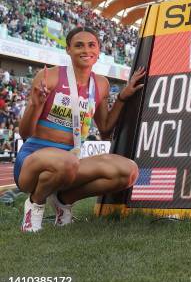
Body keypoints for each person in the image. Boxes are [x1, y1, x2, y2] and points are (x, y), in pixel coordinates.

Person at [14, 26, 146, 232]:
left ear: (99, 51)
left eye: (91, 45)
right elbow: (25, 134)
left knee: (128, 172)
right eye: (79, 45)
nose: (86, 50)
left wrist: (122, 97)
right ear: (68, 49)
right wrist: (35, 104)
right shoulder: (49, 76)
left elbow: (105, 129)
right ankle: (35, 204)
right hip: (33, 161)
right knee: (68, 162)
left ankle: (63, 200)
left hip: (70, 162)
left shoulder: (101, 84)